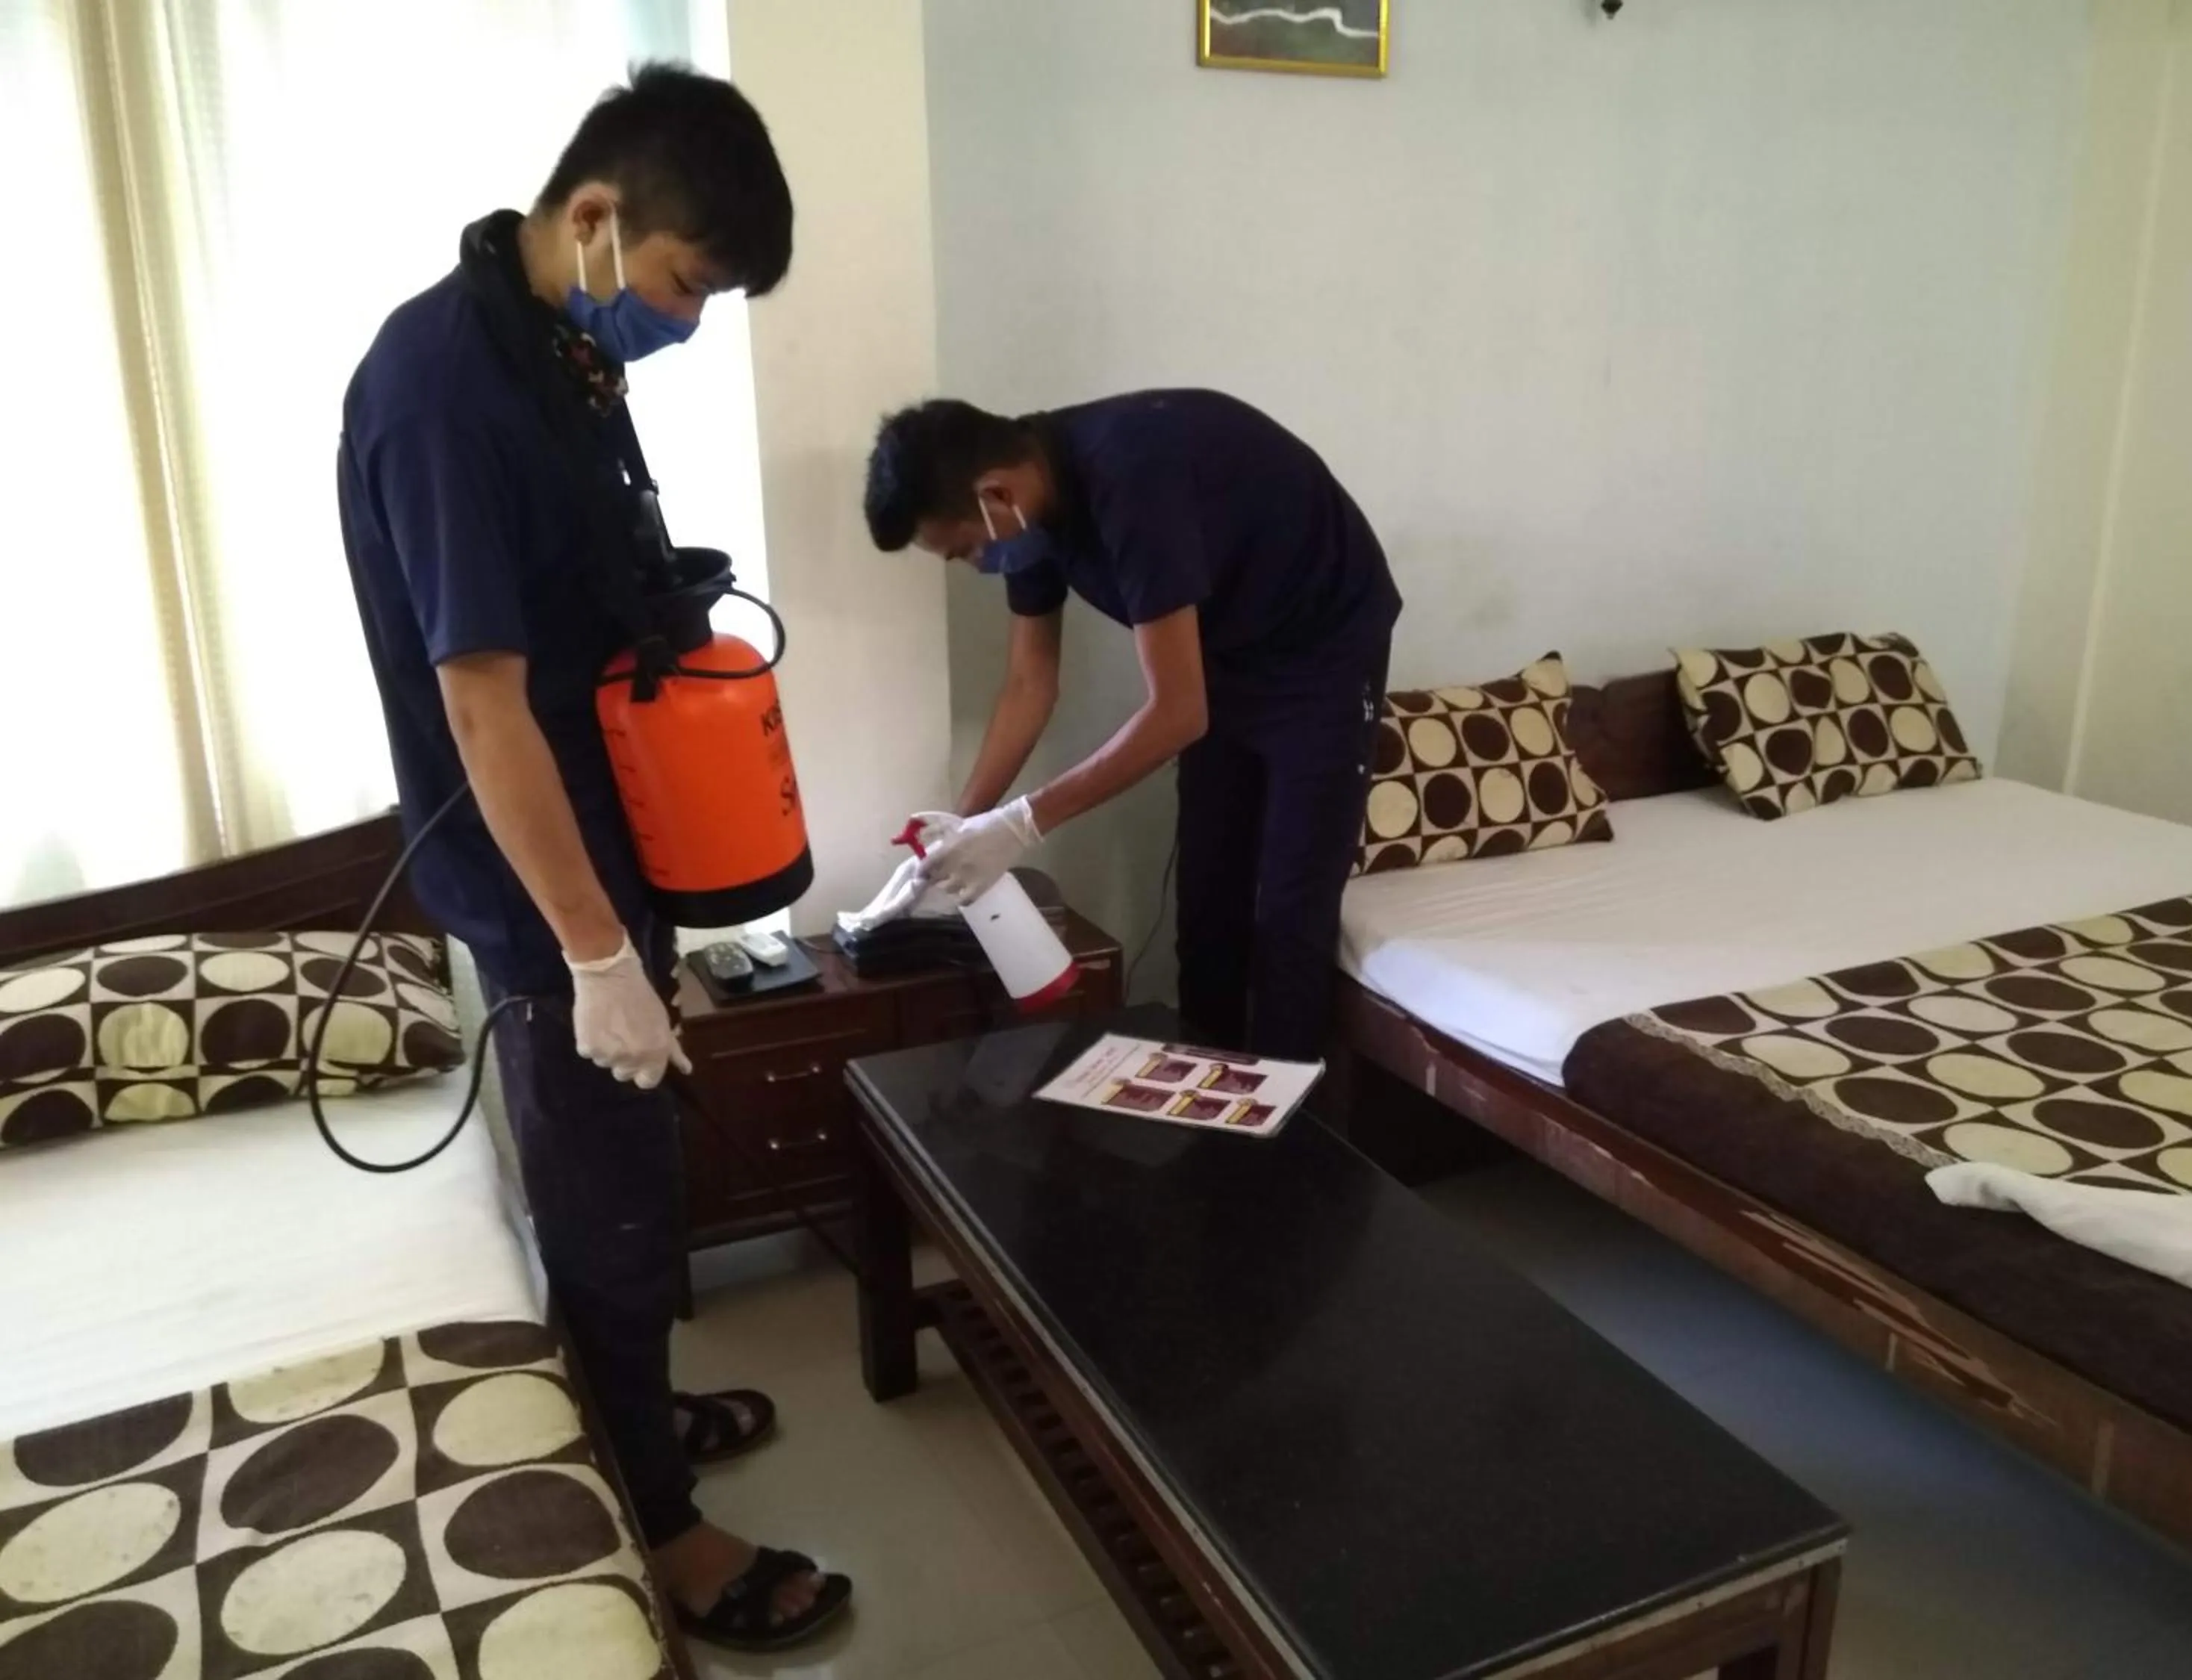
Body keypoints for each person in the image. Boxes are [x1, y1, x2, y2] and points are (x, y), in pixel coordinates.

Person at [337, 64, 850, 1652]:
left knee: (634, 1175)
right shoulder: (440, 390)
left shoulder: (559, 350)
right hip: (540, 882)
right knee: (610, 1193)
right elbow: (484, 709)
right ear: (596, 217)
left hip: (608, 839)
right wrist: (596, 955)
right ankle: (662, 1527)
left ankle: (634, 1417)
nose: (687, 323)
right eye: (688, 285)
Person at [862, 391, 1401, 1060]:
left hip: (1324, 652)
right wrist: (958, 831)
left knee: (1288, 917)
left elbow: (1177, 713)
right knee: (1207, 908)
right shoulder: (1029, 514)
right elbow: (1032, 685)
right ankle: (1213, 1111)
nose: (975, 566)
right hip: (1226, 654)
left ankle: (1289, 1141)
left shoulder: (1133, 478)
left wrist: (1021, 825)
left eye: (964, 551)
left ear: (994, 497)